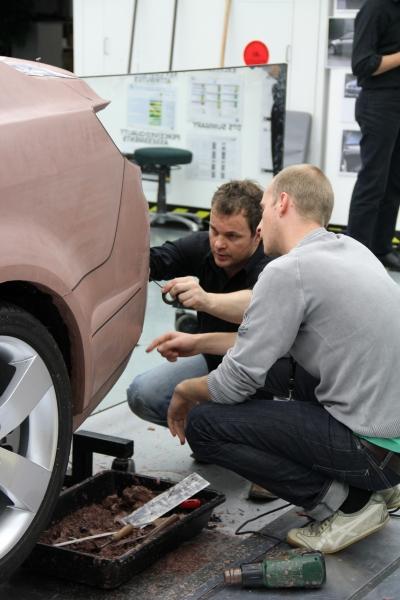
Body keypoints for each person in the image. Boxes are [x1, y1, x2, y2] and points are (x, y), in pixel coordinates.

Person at [149, 164, 400, 554]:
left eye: (263, 207)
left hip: (373, 452)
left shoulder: (289, 270)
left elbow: (234, 383)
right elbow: (268, 351)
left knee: (204, 424)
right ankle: (378, 490)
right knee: (279, 372)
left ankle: (348, 504)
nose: (261, 223)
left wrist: (184, 390)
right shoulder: (351, 249)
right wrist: (199, 344)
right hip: (392, 447)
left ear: (282, 203)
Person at [127, 179, 272, 427]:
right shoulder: (205, 245)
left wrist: (205, 301)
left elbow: (261, 305)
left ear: (257, 234)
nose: (218, 243)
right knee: (142, 394)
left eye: (232, 236)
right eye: (214, 230)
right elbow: (152, 261)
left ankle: (224, 433)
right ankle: (213, 433)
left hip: (263, 374)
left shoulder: (273, 262)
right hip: (213, 359)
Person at [347, 0, 400, 271]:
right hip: (379, 103)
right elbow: (362, 64)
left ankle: (381, 248)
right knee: (373, 181)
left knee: (394, 182)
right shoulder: (376, 8)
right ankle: (355, 253)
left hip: (396, 101)